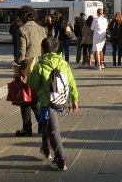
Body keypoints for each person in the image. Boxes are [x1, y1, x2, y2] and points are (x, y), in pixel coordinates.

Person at [28, 37, 79, 171]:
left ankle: (61, 159)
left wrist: (31, 72)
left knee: (53, 129)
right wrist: (75, 99)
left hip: (47, 101)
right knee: (45, 123)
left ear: (43, 49)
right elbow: (71, 81)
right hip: (61, 98)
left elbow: (33, 84)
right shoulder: (63, 63)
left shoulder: (40, 65)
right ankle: (46, 148)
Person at [14, 5, 44, 136]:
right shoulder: (42, 29)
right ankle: (42, 125)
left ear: (23, 16)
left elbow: (21, 53)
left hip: (27, 67)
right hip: (40, 66)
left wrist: (17, 66)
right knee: (36, 98)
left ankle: (27, 128)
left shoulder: (22, 30)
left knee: (25, 99)